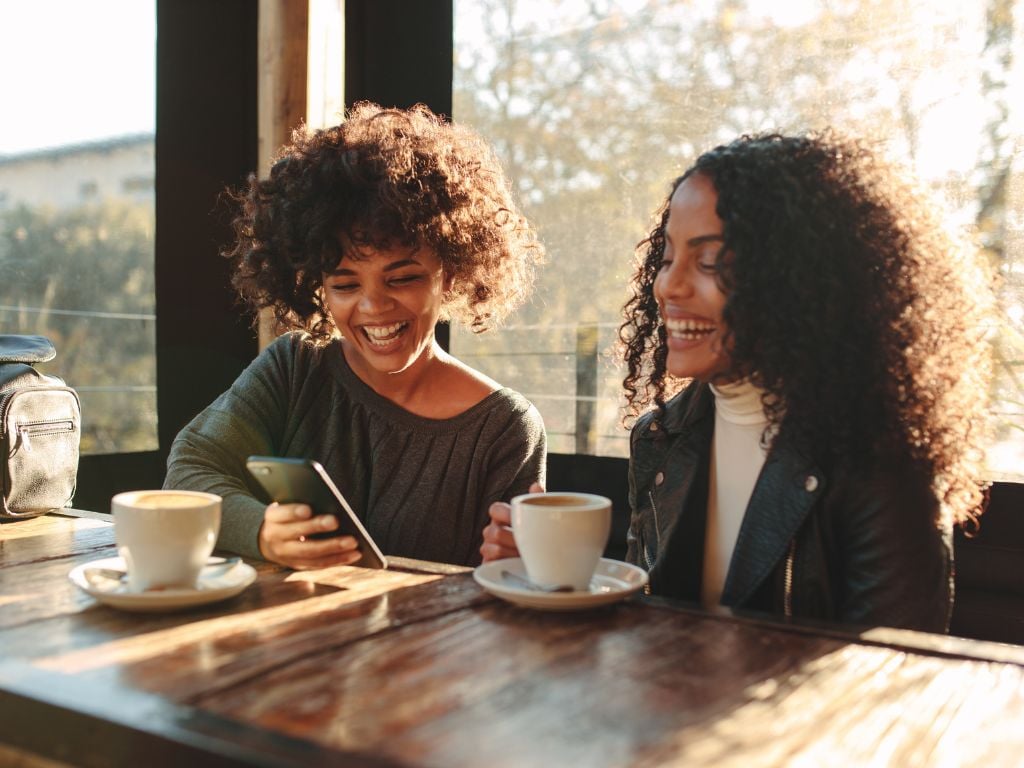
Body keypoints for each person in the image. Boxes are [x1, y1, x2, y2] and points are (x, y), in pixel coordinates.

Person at [483, 131, 993, 633]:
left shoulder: (880, 459)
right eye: (665, 258)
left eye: (709, 262)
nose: (668, 285)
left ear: (801, 280)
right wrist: (549, 577)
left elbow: (890, 678)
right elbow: (650, 630)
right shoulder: (660, 439)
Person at [165, 103, 547, 570]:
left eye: (402, 278)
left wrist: (521, 564)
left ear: (448, 275)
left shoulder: (504, 428)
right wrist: (261, 530)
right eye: (345, 285)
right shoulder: (294, 369)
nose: (373, 307)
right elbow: (189, 473)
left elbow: (510, 584)